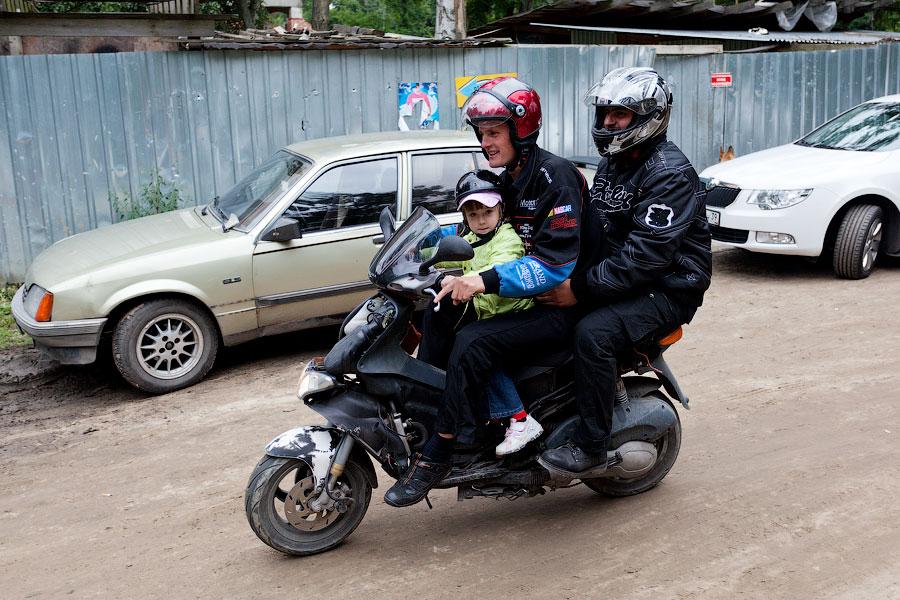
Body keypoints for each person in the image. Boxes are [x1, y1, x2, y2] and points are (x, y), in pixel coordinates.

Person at [384, 76, 589, 508]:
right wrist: (426, 255)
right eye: (481, 133)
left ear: (520, 130)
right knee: (437, 314)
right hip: (521, 299)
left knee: (472, 342)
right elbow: (479, 234)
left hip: (556, 305)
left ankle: (438, 453)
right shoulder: (511, 178)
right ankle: (434, 409)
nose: (486, 142)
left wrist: (480, 280)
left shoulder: (558, 177)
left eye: (494, 132)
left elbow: (554, 265)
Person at [537, 67, 712, 478]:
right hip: (626, 279)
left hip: (669, 287)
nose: (608, 122)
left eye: (620, 114)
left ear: (650, 117)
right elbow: (594, 226)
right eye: (605, 113)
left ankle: (592, 445)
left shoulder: (668, 173)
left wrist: (577, 288)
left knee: (593, 334)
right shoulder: (617, 161)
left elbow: (645, 257)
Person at [433, 170, 542, 456]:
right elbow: (445, 252)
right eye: (473, 214)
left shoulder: (507, 240)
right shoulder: (469, 236)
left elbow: (496, 269)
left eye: (487, 212)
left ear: (501, 211)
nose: (480, 220)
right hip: (485, 312)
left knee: (476, 349)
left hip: (511, 314)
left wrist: (465, 282)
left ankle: (519, 419)